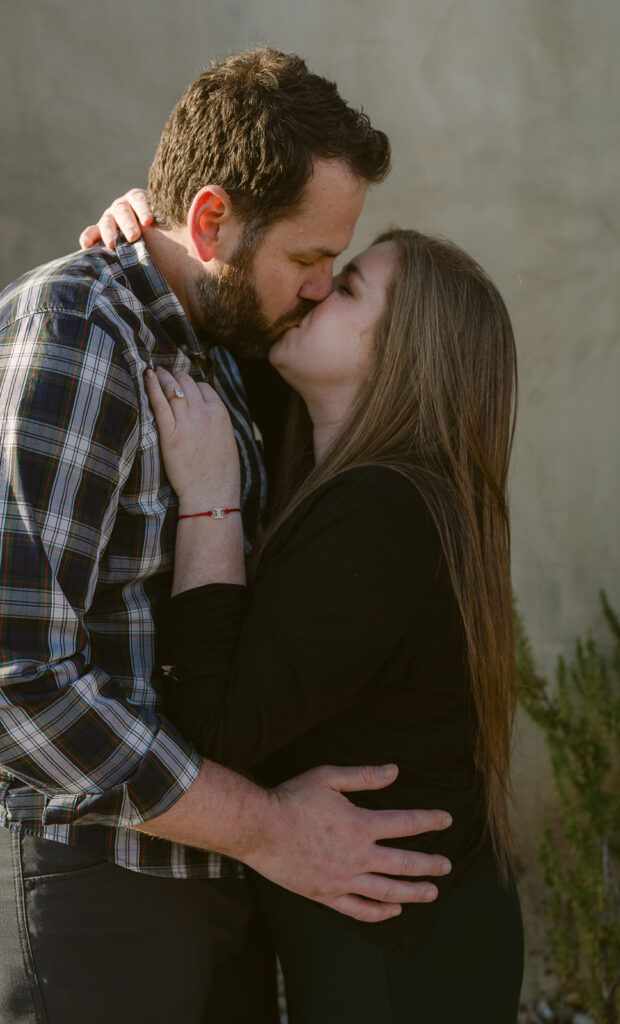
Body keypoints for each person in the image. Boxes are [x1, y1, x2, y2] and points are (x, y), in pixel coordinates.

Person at [0, 50, 453, 1024]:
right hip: (93, 888)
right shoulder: (78, 327)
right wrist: (268, 829)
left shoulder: (222, 350)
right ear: (211, 220)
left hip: (211, 888)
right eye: (307, 258)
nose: (320, 289)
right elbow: (17, 674)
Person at [142, 228, 524, 1023]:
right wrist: (154, 225)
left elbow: (212, 725)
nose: (314, 290)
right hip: (385, 930)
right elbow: (218, 289)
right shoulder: (343, 472)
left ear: (401, 356)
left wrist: (210, 495)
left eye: (346, 288)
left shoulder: (383, 512)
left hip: (400, 954)